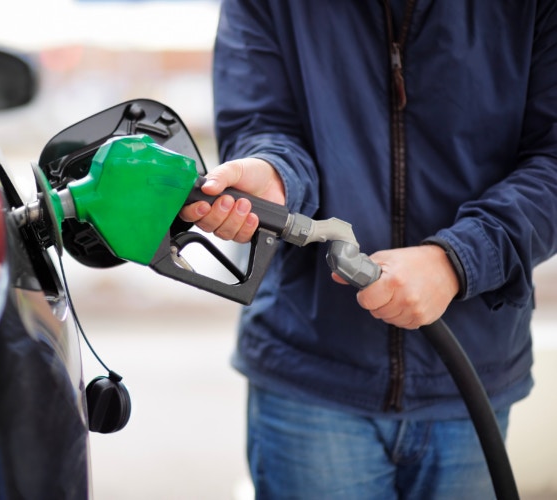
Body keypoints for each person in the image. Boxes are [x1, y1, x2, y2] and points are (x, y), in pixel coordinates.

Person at [180, 1, 557, 498]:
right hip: (310, 374)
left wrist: (458, 260)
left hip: (470, 374)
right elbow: (262, 124)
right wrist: (275, 178)